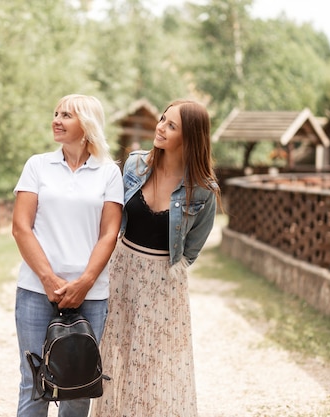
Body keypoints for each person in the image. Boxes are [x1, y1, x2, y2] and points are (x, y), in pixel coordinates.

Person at [89, 99, 221, 417]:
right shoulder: (135, 165)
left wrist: (163, 274)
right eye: (162, 119)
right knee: (115, 356)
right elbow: (112, 220)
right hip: (122, 272)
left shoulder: (203, 190)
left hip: (164, 281)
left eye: (171, 125)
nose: (160, 127)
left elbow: (191, 250)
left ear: (190, 137)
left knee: (154, 362)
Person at [12, 94, 124, 417]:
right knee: (34, 382)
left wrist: (85, 282)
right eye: (56, 113)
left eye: (67, 115)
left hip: (91, 294)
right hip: (36, 290)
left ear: (87, 125)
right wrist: (48, 278)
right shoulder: (37, 166)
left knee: (79, 384)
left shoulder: (108, 173)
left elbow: (109, 234)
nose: (56, 120)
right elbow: (21, 227)